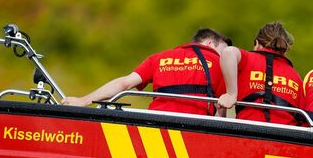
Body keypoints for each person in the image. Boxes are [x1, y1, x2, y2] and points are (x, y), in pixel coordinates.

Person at [63, 28, 232, 115]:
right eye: (222, 50)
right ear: (210, 43)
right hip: (194, 130)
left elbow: (123, 83)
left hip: (154, 127)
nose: (224, 55)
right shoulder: (219, 62)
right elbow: (221, 108)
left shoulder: (159, 58)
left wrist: (83, 101)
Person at [215, 22, 303, 125]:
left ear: (256, 43)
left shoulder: (248, 59)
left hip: (248, 131)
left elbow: (228, 52)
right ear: (285, 51)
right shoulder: (296, 76)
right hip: (284, 137)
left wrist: (231, 94)